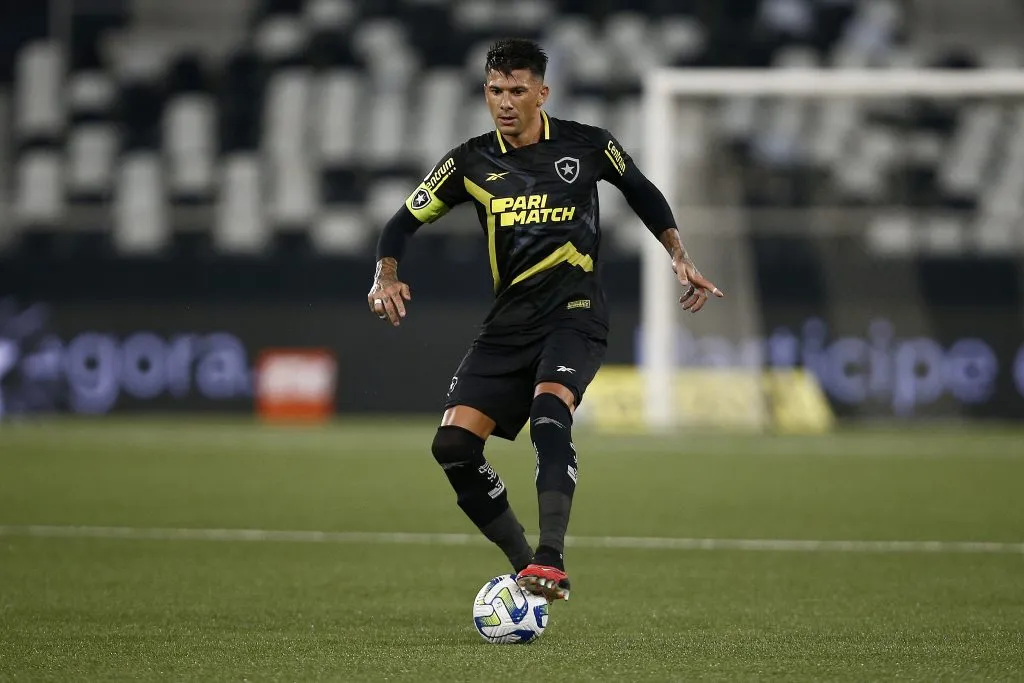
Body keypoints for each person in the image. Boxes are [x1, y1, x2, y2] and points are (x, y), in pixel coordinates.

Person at [367, 38, 722, 602]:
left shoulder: (589, 146)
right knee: (453, 446)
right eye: (494, 90)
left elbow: (643, 191)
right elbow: (401, 222)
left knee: (549, 410)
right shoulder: (470, 162)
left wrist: (678, 253)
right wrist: (385, 274)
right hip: (507, 325)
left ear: (542, 92)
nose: (504, 103)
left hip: (574, 317)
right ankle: (526, 564)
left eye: (517, 90)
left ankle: (552, 558)